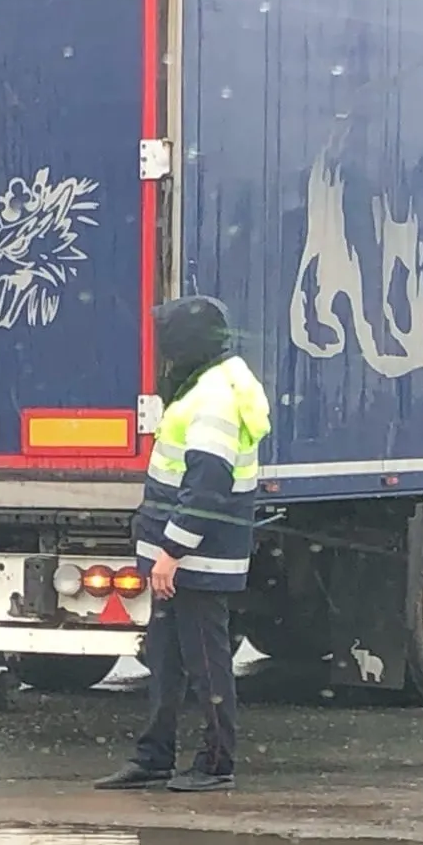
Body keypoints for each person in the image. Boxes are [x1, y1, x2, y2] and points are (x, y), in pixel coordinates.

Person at [95, 296, 270, 794]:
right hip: (179, 556)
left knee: (206, 663)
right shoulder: (207, 383)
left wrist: (171, 552)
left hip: (195, 558)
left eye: (169, 337)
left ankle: (216, 764)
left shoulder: (214, 397)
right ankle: (154, 757)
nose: (164, 349)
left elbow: (207, 483)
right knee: (166, 660)